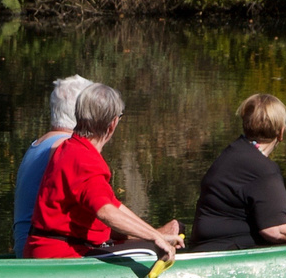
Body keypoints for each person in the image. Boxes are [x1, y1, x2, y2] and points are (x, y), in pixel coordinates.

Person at [23, 84, 179, 262]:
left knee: (153, 241)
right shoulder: (86, 160)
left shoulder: (69, 147)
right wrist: (155, 238)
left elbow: (113, 205)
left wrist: (153, 233)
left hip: (46, 248)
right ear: (112, 124)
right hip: (60, 254)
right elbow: (105, 211)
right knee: (150, 252)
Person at [190, 94, 286, 251]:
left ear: (246, 124)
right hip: (227, 251)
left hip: (208, 245)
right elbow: (277, 231)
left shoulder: (234, 152)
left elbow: (274, 199)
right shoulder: (262, 170)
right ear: (281, 133)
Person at [13, 75, 95, 257]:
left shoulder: (39, 143)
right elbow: (97, 205)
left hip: (25, 245)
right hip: (43, 250)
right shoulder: (66, 147)